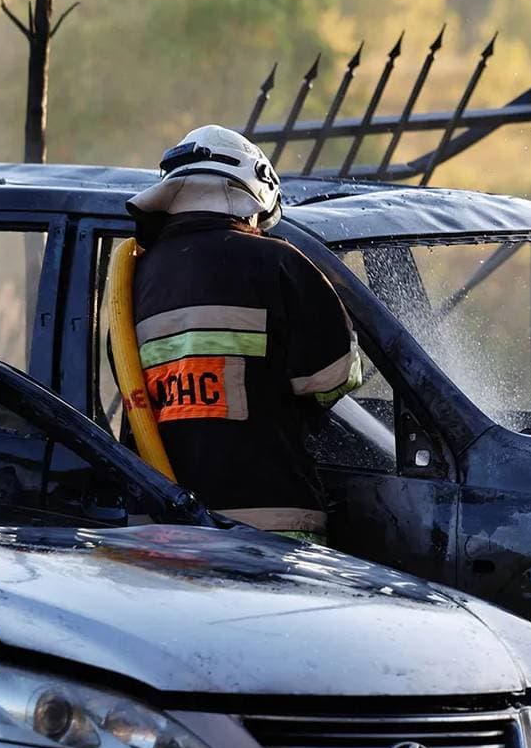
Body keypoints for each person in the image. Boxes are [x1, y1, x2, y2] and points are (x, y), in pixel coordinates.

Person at [126, 125, 358, 542]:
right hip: (272, 521)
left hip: (162, 529)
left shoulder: (132, 282)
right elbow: (334, 378)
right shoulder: (279, 263)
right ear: (254, 195)